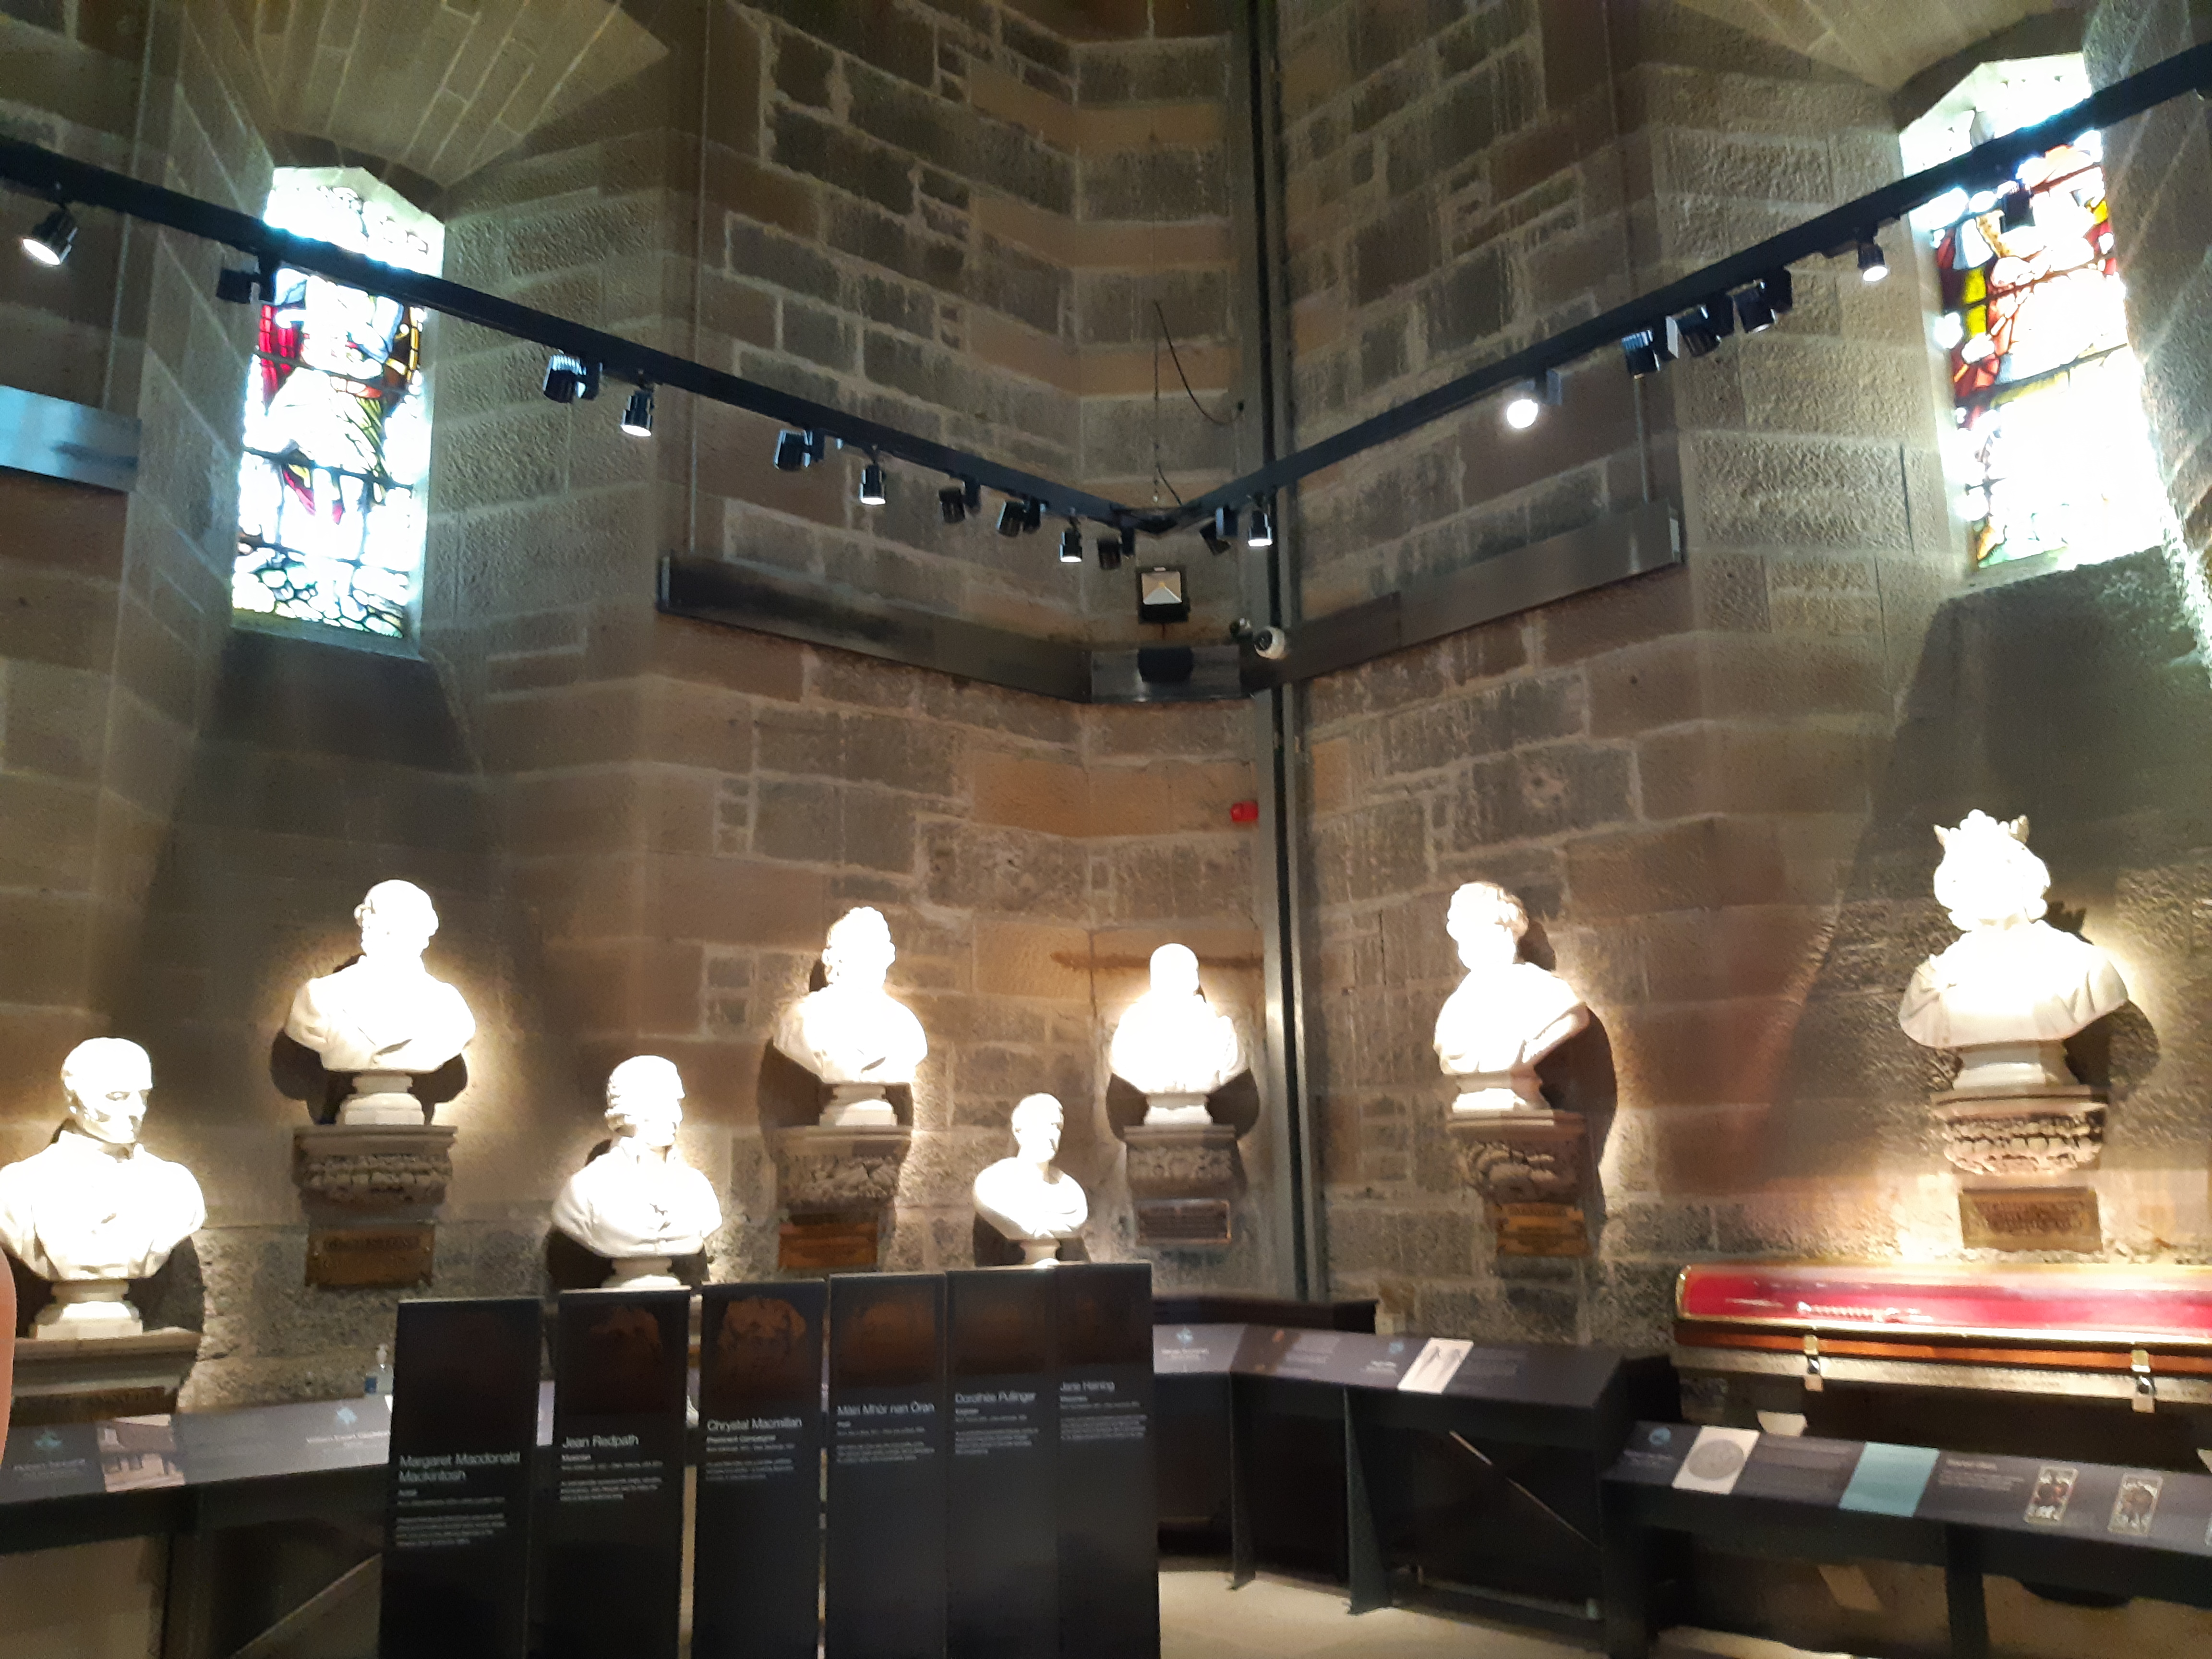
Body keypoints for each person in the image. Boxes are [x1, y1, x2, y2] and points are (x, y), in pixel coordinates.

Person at [1899, 811, 2128, 1093]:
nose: (1983, 886)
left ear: (2023, 877)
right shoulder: (1931, 982)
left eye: (1995, 871)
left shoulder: (2082, 966)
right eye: (1969, 876)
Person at [0, 1038, 207, 1337]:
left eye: (143, 1095)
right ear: (74, 1099)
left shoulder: (176, 1187)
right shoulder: (15, 1187)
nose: (137, 1110)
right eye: (117, 1097)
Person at [286, 880, 475, 1122]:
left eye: (400, 925)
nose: (374, 929)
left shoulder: (448, 1006)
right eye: (372, 921)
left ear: (424, 934)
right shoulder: (320, 996)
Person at [551, 1057, 723, 1282]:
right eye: (664, 1104)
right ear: (629, 1111)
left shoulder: (698, 1188)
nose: (677, 1117)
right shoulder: (584, 1191)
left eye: (677, 1104)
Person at [1431, 882, 1588, 1113]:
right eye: (1464, 932)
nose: (1469, 940)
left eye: (1478, 927)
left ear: (1507, 930)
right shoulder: (1455, 1007)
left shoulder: (1549, 992)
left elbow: (1575, 1019)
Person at [772, 907, 929, 1125]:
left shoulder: (905, 1024)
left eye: (882, 950)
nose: (877, 960)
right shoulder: (803, 1018)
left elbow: (913, 1052)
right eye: (865, 950)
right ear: (838, 958)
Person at [1108, 944, 1243, 1125]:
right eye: (1165, 974)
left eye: (1180, 974)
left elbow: (1234, 1075)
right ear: (1154, 980)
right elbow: (1122, 1070)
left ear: (1194, 979)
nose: (1173, 982)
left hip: (1202, 1121)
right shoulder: (1130, 1029)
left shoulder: (1221, 1030)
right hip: (1154, 1120)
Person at [972, 1094, 1088, 1265]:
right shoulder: (991, 1185)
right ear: (1019, 1131)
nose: (1051, 1135)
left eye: (1056, 1126)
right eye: (1041, 1124)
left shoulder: (1071, 1192)